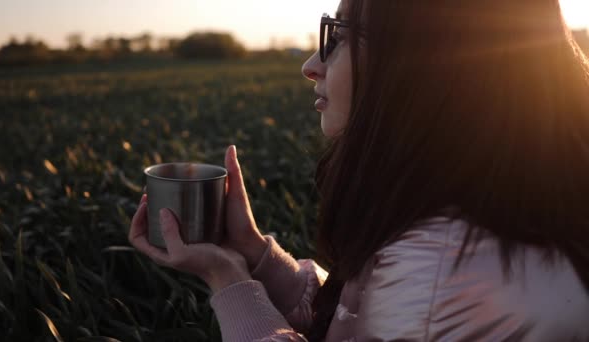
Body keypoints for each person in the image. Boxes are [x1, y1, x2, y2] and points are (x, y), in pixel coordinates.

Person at [129, 0, 589, 340]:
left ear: (426, 63)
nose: (312, 66)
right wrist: (255, 256)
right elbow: (372, 318)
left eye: (339, 34)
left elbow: (418, 301)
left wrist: (227, 281)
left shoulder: (443, 267)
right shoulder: (481, 209)